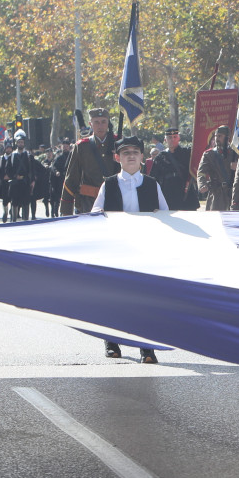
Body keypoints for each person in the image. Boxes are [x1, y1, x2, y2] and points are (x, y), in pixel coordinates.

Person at [93, 136, 167, 362]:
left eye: (136, 152)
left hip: (144, 250)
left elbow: (165, 214)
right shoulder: (109, 184)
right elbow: (96, 212)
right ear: (117, 158)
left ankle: (146, 347)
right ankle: (112, 342)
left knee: (144, 298)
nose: (131, 156)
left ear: (143, 157)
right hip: (117, 249)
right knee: (114, 296)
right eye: (126, 153)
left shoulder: (153, 184)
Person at [61, 109, 118, 214]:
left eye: (103, 122)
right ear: (90, 124)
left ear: (108, 123)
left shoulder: (119, 144)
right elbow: (72, 177)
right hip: (88, 202)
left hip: (115, 201)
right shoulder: (82, 146)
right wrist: (66, 211)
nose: (100, 126)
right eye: (96, 122)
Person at [149, 128, 197, 210]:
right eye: (170, 137)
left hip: (185, 191)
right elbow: (153, 179)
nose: (172, 139)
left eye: (175, 137)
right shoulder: (160, 157)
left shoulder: (187, 153)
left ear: (179, 138)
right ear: (165, 139)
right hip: (168, 192)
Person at [196, 125, 238, 211]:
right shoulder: (209, 154)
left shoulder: (235, 154)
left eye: (220, 136)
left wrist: (237, 167)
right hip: (216, 194)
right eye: (216, 136)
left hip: (233, 194)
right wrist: (202, 184)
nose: (216, 138)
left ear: (227, 137)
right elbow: (201, 172)